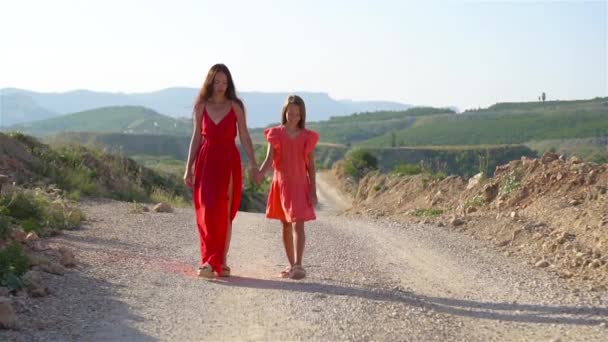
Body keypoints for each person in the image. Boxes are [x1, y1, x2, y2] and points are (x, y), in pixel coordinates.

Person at [183, 63, 259, 278]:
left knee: (224, 211)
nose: (221, 86)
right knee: (206, 209)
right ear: (210, 82)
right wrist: (188, 167)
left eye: (225, 82)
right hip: (206, 160)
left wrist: (253, 162)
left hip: (228, 159)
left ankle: (221, 261)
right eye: (217, 82)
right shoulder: (201, 106)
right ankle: (208, 259)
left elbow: (244, 135)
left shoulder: (236, 105)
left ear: (229, 83)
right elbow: (196, 137)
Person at [259, 95, 319, 280]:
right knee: (285, 225)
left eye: (297, 114)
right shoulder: (276, 134)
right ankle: (291, 264)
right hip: (281, 184)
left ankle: (299, 265)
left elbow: (311, 165)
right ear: (285, 112)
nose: (293, 117)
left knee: (298, 223)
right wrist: (259, 173)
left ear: (302, 116)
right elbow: (269, 160)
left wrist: (313, 190)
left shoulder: (307, 137)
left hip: (300, 185)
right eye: (290, 113)